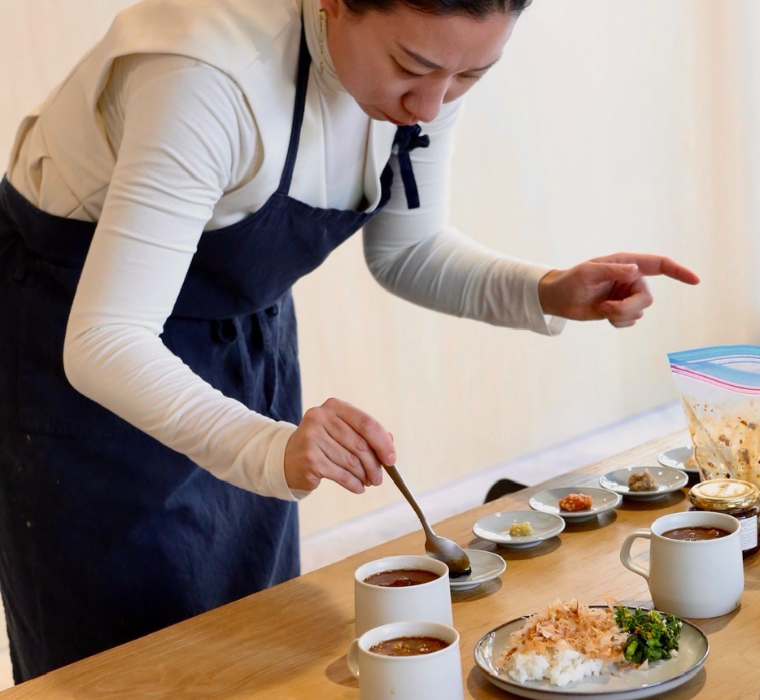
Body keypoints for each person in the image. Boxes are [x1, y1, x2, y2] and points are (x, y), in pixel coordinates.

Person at [0, 0, 700, 683]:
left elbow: (408, 250)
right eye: (412, 67)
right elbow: (105, 339)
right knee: (128, 658)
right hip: (82, 376)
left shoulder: (434, 63)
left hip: (245, 343)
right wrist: (270, 448)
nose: (431, 104)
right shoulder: (204, 75)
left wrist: (544, 289)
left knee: (250, 635)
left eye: (469, 78)